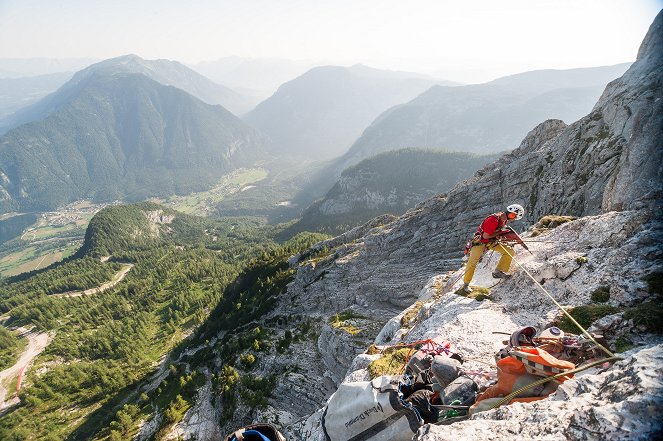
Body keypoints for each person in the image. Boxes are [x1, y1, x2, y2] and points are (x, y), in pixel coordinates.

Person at [461, 204, 524, 293]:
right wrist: (500, 234)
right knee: (473, 262)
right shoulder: (493, 220)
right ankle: (466, 284)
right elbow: (485, 236)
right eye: (512, 215)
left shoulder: (504, 221)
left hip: (491, 241)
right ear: (508, 211)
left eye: (514, 217)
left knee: (509, 251)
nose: (512, 218)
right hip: (480, 242)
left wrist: (502, 237)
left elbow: (495, 233)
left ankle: (498, 272)